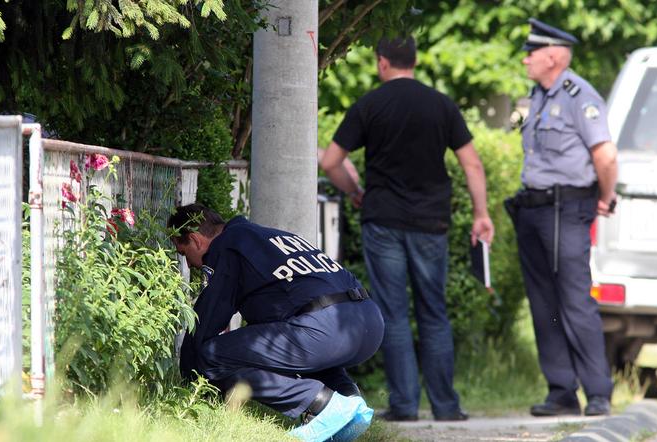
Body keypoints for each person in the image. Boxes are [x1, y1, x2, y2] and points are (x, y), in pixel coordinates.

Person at [321, 36, 495, 422]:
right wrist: (481, 213)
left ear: (383, 62)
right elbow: (473, 165)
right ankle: (447, 406)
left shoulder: (370, 104)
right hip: (431, 223)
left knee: (393, 313)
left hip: (383, 220)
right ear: (414, 61)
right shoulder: (441, 105)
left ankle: (403, 406)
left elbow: (332, 161)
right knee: (434, 311)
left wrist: (356, 192)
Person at [168, 204, 384, 442]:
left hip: (324, 327)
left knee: (212, 354)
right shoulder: (271, 237)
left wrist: (188, 379)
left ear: (195, 240)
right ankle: (350, 400)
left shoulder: (227, 245)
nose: (188, 264)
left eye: (183, 252)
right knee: (289, 346)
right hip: (367, 323)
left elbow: (208, 319)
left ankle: (323, 404)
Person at [509, 18, 618, 417]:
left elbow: (605, 156)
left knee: (574, 301)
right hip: (534, 210)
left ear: (553, 56)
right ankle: (561, 390)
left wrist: (605, 198)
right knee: (543, 304)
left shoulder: (578, 94)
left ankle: (598, 392)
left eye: (531, 52)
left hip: (566, 209)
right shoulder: (538, 94)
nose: (525, 60)